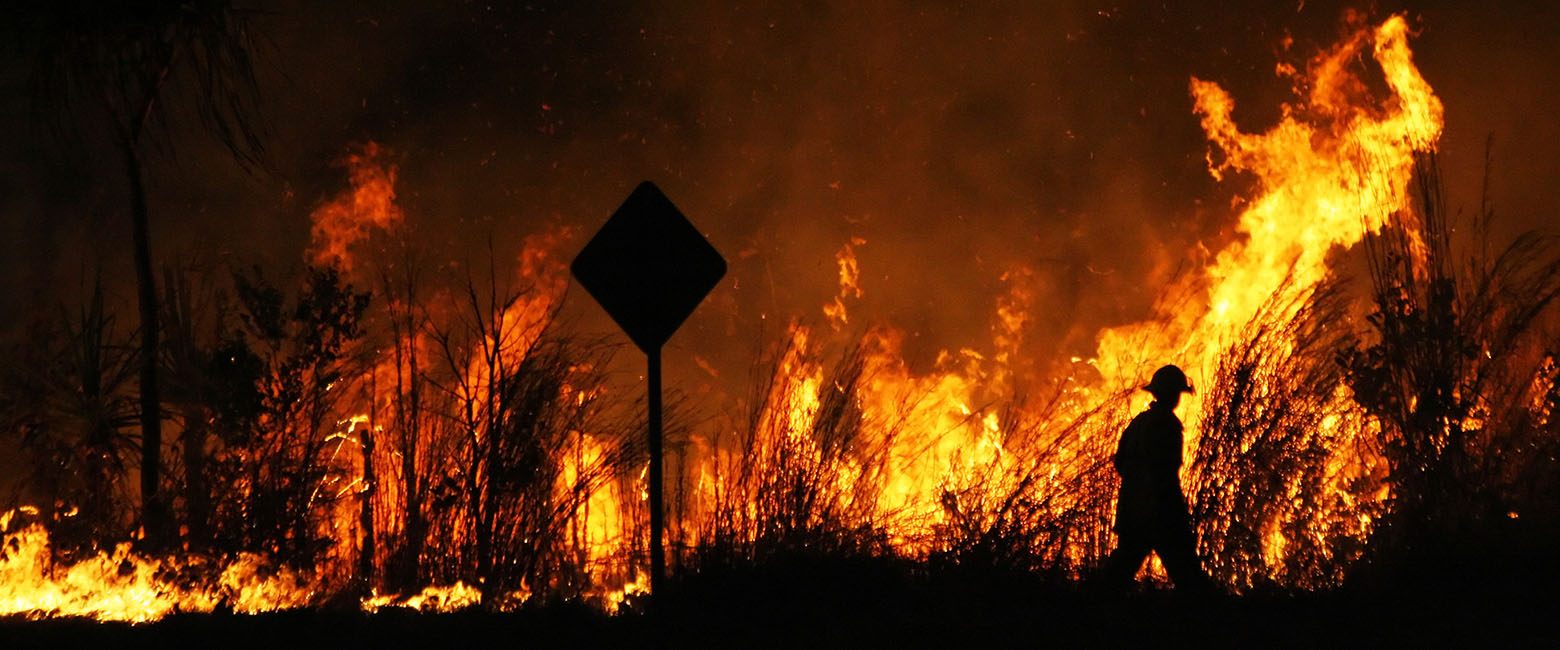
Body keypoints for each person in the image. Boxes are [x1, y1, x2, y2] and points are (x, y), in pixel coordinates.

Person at [1104, 364, 1212, 592]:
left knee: (1119, 570)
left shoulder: (1139, 423)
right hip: (1161, 513)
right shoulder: (1168, 425)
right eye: (1177, 393)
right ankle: (1210, 612)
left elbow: (1120, 462)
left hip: (1133, 510)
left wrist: (1136, 488)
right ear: (1172, 395)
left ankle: (1086, 605)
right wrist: (1173, 510)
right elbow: (1166, 472)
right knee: (1188, 573)